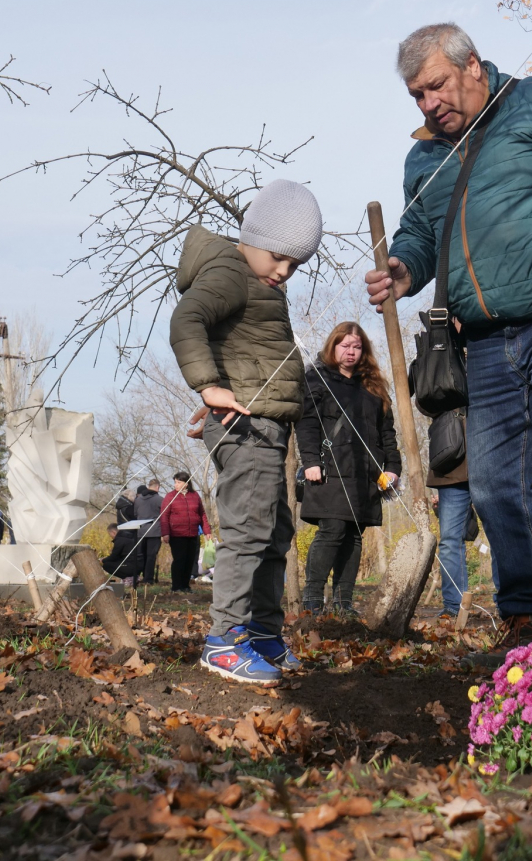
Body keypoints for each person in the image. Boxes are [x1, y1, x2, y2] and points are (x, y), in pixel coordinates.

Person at [364, 22, 532, 640]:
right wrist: (403, 268)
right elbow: (418, 231)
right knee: (490, 483)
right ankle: (523, 613)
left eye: (435, 85)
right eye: (416, 95)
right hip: (483, 343)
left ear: (472, 66)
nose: (428, 104)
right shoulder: (425, 157)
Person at [170, 178, 321, 684]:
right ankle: (225, 641)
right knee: (245, 532)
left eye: (295, 265)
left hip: (263, 427)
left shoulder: (256, 280)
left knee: (274, 531)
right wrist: (209, 387)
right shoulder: (230, 272)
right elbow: (187, 320)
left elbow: (241, 347)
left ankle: (262, 632)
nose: (284, 271)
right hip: (248, 427)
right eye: (279, 256)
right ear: (253, 236)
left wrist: (221, 387)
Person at [297, 322, 401, 615]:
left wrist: (393, 467)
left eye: (357, 347)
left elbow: (387, 433)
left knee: (355, 535)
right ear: (333, 347)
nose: (351, 351)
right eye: (345, 345)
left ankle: (344, 603)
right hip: (329, 470)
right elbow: (306, 424)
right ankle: (313, 601)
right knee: (331, 530)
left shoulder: (374, 387)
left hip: (366, 475)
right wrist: (310, 462)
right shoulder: (316, 379)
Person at [426, 409, 477, 620]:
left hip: (488, 445)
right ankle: (454, 606)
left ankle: (518, 607)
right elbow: (424, 399)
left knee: (504, 532)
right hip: (450, 457)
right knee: (449, 540)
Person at [160, 471, 211, 593]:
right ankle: (176, 586)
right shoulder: (170, 496)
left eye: (179, 482)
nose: (176, 485)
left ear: (186, 483)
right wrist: (165, 533)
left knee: (189, 560)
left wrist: (207, 531)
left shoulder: (195, 496)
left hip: (192, 533)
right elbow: (164, 516)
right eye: (175, 482)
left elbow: (202, 514)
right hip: (177, 534)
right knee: (179, 559)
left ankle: (185, 585)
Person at [102, 488, 141, 586]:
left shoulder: (122, 507)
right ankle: (132, 577)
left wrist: (103, 560)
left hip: (131, 563)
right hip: (132, 537)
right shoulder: (129, 507)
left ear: (113, 532)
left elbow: (115, 556)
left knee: (107, 565)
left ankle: (129, 577)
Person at [133, 477, 165, 585]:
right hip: (154, 531)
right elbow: (164, 515)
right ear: (158, 487)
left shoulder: (138, 500)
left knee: (141, 555)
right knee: (151, 556)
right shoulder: (159, 499)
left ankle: (137, 577)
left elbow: (135, 514)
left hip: (140, 531)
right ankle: (148, 579)